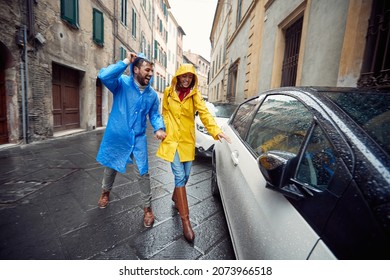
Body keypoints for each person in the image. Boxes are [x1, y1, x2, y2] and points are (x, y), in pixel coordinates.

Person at [156, 64, 231, 242]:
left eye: (190, 77)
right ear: (178, 76)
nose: (186, 79)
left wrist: (215, 130)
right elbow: (164, 112)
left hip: (187, 141)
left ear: (192, 79)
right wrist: (163, 127)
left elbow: (204, 113)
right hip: (172, 140)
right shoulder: (168, 92)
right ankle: (186, 221)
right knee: (180, 176)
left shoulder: (195, 94)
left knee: (186, 176)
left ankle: (176, 197)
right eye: (184, 76)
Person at [96, 51, 166, 228]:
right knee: (111, 166)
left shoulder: (151, 95)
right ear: (135, 70)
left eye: (152, 71)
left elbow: (155, 114)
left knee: (143, 173)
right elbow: (104, 75)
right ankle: (105, 192)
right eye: (147, 70)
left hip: (139, 138)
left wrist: (159, 128)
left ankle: (148, 209)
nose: (150, 74)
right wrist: (126, 61)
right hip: (118, 135)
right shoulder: (121, 84)